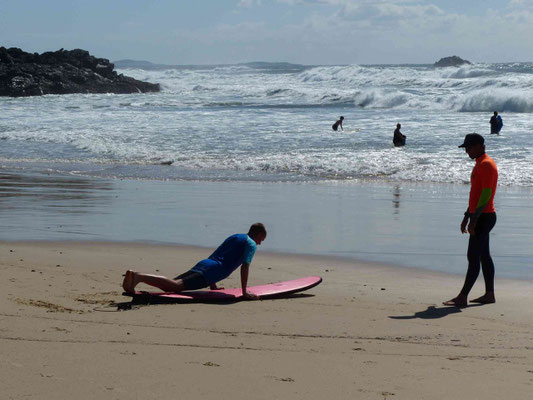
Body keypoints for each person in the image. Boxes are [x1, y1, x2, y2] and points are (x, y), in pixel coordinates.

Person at [122, 223, 267, 300]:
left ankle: (135, 279)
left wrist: (213, 286)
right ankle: (137, 277)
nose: (259, 244)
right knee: (176, 286)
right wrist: (244, 292)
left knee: (171, 286)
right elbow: (245, 266)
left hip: (205, 264)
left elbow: (217, 254)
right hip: (212, 271)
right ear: (258, 234)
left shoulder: (236, 236)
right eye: (261, 239)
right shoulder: (251, 244)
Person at [443, 133, 498, 307]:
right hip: (479, 215)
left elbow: (486, 195)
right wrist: (467, 216)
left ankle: (462, 296)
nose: (467, 151)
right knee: (483, 256)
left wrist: (474, 219)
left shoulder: (486, 165)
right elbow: (476, 195)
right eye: (465, 148)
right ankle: (489, 294)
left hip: (484, 216)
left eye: (469, 147)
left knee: (473, 256)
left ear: (481, 146)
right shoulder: (479, 164)